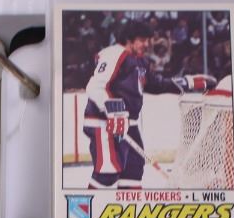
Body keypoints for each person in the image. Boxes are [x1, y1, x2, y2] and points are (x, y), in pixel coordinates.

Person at [82, 20, 212, 189]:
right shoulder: (114, 54)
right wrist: (113, 110)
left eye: (148, 40)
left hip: (129, 123)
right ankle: (87, 204)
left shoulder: (140, 61)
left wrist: (188, 82)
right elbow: (95, 86)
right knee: (107, 174)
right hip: (104, 123)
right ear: (129, 39)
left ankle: (129, 206)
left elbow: (156, 84)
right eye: (142, 40)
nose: (147, 44)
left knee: (133, 171)